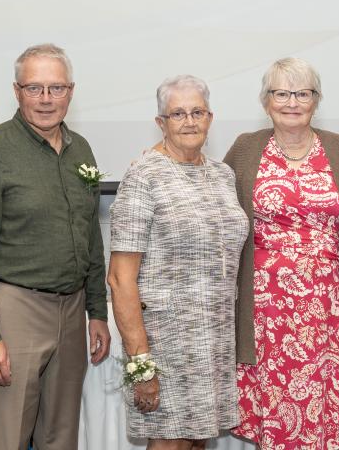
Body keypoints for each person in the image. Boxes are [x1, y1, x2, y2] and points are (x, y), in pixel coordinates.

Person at [0, 43, 111, 450]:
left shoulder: (82, 150)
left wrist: (96, 310)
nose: (45, 99)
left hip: (72, 310)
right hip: (15, 309)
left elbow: (90, 235)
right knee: (8, 437)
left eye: (56, 88)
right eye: (34, 88)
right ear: (17, 91)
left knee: (61, 437)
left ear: (70, 92)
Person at [223, 57, 339, 449]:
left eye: (302, 93)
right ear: (266, 100)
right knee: (277, 410)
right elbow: (212, 194)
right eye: (281, 93)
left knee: (320, 413)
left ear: (316, 100)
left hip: (328, 307)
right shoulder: (246, 149)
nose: (292, 102)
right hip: (266, 309)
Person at [108, 75, 249, 450]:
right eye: (177, 113)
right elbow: (121, 279)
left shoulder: (222, 174)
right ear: (161, 122)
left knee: (198, 441)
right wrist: (142, 365)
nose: (189, 121)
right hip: (165, 343)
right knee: (171, 442)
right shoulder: (144, 175)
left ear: (210, 117)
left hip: (215, 340)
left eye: (197, 112)